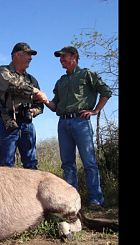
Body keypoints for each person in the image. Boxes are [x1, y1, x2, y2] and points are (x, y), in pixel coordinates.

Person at [38, 46, 112, 209]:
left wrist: (95, 110)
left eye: (64, 56)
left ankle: (95, 199)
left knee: (89, 162)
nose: (61, 60)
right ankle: (71, 199)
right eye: (60, 57)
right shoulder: (61, 81)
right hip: (63, 123)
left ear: (74, 56)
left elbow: (106, 91)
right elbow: (55, 106)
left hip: (81, 121)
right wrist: (44, 99)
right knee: (67, 163)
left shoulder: (87, 74)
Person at [0, 42, 48, 169]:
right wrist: (35, 91)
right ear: (17, 55)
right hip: (8, 123)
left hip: (27, 124)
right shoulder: (3, 71)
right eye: (28, 54)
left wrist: (34, 111)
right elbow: (13, 85)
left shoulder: (32, 79)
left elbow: (40, 105)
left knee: (31, 164)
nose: (31, 58)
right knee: (7, 164)